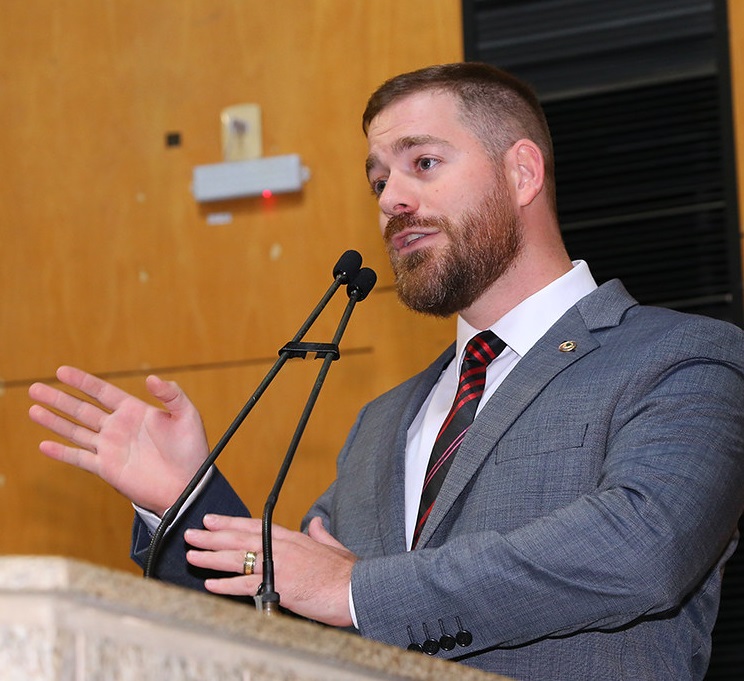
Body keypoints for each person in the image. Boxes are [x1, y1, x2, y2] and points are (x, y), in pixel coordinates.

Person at [28, 63, 744, 681]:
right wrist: (186, 502)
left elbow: (642, 548)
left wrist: (356, 590)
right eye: (378, 179)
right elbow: (290, 622)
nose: (390, 200)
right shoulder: (382, 422)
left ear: (522, 172)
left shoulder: (683, 358)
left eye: (422, 163)